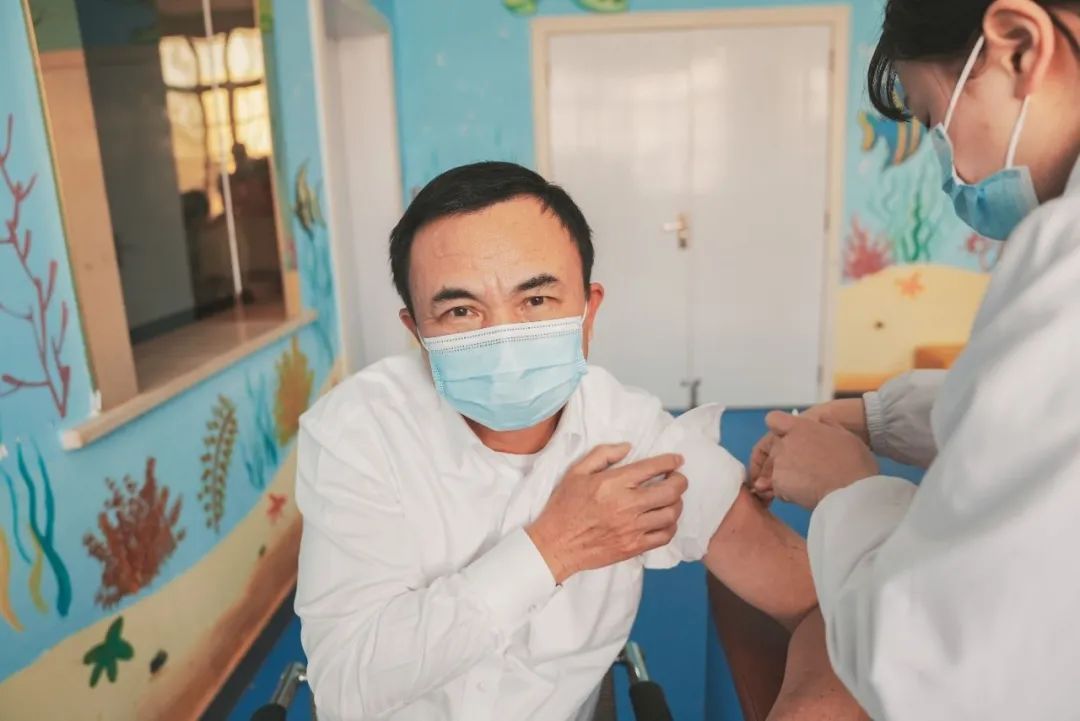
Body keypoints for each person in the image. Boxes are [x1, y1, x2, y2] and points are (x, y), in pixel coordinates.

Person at [295, 162, 862, 721]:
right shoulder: (358, 433)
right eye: (461, 310)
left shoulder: (633, 436)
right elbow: (345, 686)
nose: (506, 340)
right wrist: (551, 550)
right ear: (417, 331)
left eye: (536, 300)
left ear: (589, 312)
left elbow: (819, 604)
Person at [749, 1, 1080, 718]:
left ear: (1019, 46)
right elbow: (1041, 419)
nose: (951, 169)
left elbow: (929, 660)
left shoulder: (1067, 257)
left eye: (936, 120)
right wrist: (878, 418)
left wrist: (845, 492)